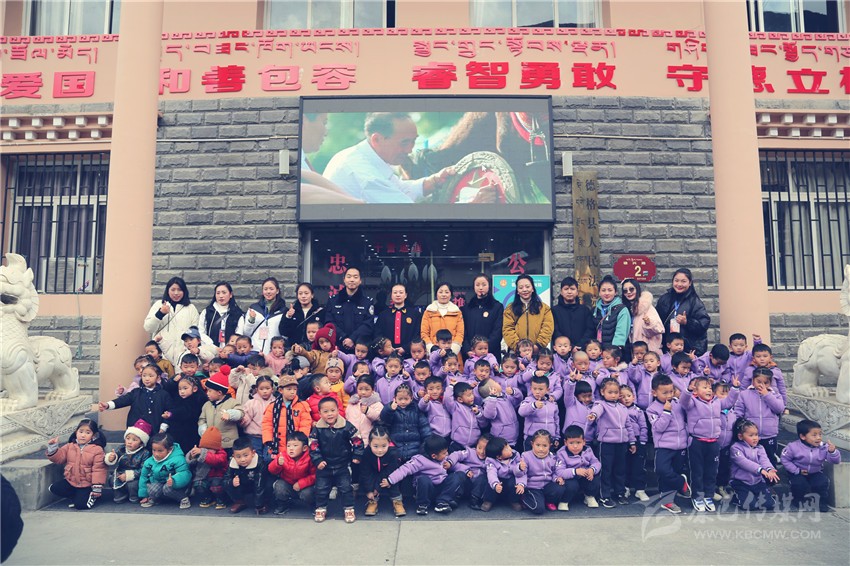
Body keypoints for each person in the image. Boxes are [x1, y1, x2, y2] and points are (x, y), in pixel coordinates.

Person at [323, 112, 454, 203]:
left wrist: (435, 180)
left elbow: (399, 189)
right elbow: (410, 215)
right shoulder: (367, 177)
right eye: (404, 142)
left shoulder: (357, 156)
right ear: (377, 139)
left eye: (413, 141)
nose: (409, 150)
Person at [680, 375, 741, 512]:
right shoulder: (693, 402)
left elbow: (729, 401)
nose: (708, 390)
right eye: (704, 387)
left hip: (714, 442)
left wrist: (735, 388)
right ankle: (697, 497)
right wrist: (688, 390)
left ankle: (708, 495)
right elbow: (683, 401)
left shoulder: (717, 402)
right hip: (697, 442)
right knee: (697, 472)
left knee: (711, 472)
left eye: (709, 387)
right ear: (696, 391)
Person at [309, 397, 364, 523]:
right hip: (324, 465)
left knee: (346, 488)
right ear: (320, 413)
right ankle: (321, 508)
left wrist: (357, 455)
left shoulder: (346, 426)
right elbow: (313, 445)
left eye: (332, 410)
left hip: (343, 464)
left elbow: (357, 440)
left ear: (338, 410)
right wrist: (317, 460)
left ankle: (349, 508)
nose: (330, 414)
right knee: (321, 488)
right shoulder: (317, 428)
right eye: (326, 411)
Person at [587, 378, 636, 508]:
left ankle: (619, 493)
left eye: (616, 392)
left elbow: (628, 426)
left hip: (622, 443)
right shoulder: (601, 404)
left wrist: (632, 442)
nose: (613, 395)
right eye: (610, 392)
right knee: (606, 469)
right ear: (602, 392)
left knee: (620, 469)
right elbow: (596, 410)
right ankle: (604, 495)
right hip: (606, 443)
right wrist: (593, 415)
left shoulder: (622, 407)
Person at [646, 374, 692, 515]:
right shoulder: (652, 409)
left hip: (680, 445)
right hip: (664, 446)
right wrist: (666, 411)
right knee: (662, 470)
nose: (669, 395)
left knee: (673, 472)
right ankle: (681, 482)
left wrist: (688, 391)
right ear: (654, 393)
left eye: (671, 391)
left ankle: (668, 501)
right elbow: (658, 428)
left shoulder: (677, 403)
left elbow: (687, 404)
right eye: (664, 392)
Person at [384, 435, 462, 515]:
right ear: (434, 456)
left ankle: (442, 502)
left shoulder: (444, 458)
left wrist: (466, 470)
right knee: (423, 479)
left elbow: (456, 463)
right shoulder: (419, 460)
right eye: (444, 453)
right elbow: (404, 469)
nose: (447, 454)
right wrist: (390, 480)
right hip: (426, 490)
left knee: (456, 477)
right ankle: (422, 504)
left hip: (440, 488)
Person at [299, 112, 365, 205]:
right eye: (324, 123)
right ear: (303, 121)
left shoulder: (302, 164)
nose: (326, 132)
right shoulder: (289, 162)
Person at [781, 419, 842, 512]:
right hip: (798, 472)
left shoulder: (823, 447)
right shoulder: (793, 447)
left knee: (821, 483)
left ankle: (822, 502)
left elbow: (835, 461)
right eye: (814, 435)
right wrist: (796, 470)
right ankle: (798, 500)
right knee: (799, 484)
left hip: (815, 472)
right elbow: (785, 460)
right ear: (802, 436)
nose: (818, 438)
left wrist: (832, 452)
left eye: (820, 434)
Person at [46, 419, 107, 510]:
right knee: (53, 488)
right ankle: (77, 496)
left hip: (87, 484)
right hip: (72, 481)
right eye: (81, 431)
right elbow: (59, 459)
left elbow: (99, 469)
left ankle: (92, 496)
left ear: (93, 435)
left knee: (81, 506)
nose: (83, 435)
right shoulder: (70, 446)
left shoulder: (97, 450)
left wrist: (97, 488)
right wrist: (53, 447)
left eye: (87, 432)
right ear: (76, 432)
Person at [97, 364, 171, 436]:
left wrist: (163, 427)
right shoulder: (136, 392)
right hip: (135, 431)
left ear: (158, 378)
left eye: (151, 376)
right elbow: (123, 400)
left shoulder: (164, 394)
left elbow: (169, 411)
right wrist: (107, 405)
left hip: (155, 431)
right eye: (144, 375)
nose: (147, 378)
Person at [733, 367, 785, 465]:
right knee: (751, 459)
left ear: (770, 383)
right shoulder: (744, 394)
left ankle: (770, 474)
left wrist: (767, 395)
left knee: (770, 458)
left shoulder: (775, 394)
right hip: (750, 435)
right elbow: (738, 412)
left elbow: (779, 409)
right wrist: (739, 428)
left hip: (769, 435)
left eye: (766, 383)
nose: (762, 385)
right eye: (759, 382)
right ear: (753, 381)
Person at [654, 268, 711, 356]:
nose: (679, 284)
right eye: (676, 281)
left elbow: (703, 325)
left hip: (687, 350)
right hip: (667, 348)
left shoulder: (695, 301)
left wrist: (687, 322)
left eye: (683, 281)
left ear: (690, 283)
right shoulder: (664, 299)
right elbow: (656, 320)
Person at [143, 277, 200, 364]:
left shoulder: (191, 308)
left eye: (179, 290)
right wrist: (160, 313)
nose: (176, 293)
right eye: (173, 290)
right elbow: (148, 328)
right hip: (161, 357)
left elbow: (196, 332)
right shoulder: (159, 305)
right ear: (168, 290)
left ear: (184, 291)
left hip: (184, 358)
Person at [729, 419, 778, 511]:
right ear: (740, 436)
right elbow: (744, 462)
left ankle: (759, 495)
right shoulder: (735, 448)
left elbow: (764, 460)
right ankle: (736, 497)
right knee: (750, 506)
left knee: (768, 505)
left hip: (757, 481)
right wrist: (760, 469)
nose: (755, 438)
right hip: (741, 482)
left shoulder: (760, 448)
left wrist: (769, 469)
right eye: (751, 435)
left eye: (756, 434)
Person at [514, 430, 566, 514]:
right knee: (539, 509)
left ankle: (548, 501)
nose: (541, 449)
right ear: (532, 444)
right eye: (538, 445)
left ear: (550, 445)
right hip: (533, 488)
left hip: (547, 486)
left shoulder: (552, 457)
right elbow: (521, 474)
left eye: (545, 446)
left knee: (560, 488)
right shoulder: (526, 456)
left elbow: (554, 472)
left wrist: (557, 478)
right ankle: (524, 498)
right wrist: (520, 475)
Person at [262, 375, 313, 461]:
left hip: (295, 444)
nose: (292, 392)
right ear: (281, 390)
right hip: (277, 444)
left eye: (295, 389)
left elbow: (305, 424)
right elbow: (267, 424)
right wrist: (268, 440)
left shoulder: (302, 405)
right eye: (289, 389)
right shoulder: (273, 406)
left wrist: (301, 440)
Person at [325, 267, 375, 353]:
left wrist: (352, 339)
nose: (352, 280)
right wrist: (343, 337)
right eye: (349, 277)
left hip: (359, 349)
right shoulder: (333, 300)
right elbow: (329, 323)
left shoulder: (367, 302)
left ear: (360, 281)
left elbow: (368, 325)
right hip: (337, 347)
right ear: (344, 280)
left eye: (355, 277)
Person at [360, 426, 406, 517]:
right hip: (374, 474)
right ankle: (373, 501)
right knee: (369, 480)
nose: (380, 450)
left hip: (388, 475)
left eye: (384, 446)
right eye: (376, 446)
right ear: (369, 443)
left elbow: (391, 470)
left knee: (393, 481)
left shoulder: (393, 453)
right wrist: (369, 490)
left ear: (389, 442)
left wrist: (383, 484)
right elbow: (366, 472)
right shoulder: (367, 453)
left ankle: (397, 501)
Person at [138, 433, 192, 509]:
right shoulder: (149, 461)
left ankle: (183, 498)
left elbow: (185, 473)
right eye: (154, 450)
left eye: (160, 451)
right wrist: (144, 495)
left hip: (177, 485)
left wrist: (174, 480)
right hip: (159, 483)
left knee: (167, 488)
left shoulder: (178, 459)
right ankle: (157, 499)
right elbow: (144, 477)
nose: (156, 454)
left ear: (169, 449)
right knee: (152, 489)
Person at [267, 431, 317, 515]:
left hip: (304, 486)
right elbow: (271, 470)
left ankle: (314, 505)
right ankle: (283, 505)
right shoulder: (282, 455)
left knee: (308, 493)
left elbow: (315, 475)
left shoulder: (310, 457)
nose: (291, 448)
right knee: (279, 486)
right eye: (288, 445)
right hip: (288, 484)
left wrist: (301, 483)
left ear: (304, 448)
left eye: (295, 445)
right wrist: (277, 464)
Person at [104, 419, 153, 504]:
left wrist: (129, 475)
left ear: (141, 443)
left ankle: (134, 496)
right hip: (121, 473)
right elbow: (115, 455)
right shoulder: (122, 448)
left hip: (135, 475)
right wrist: (112, 458)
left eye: (134, 440)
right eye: (128, 438)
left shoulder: (145, 453)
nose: (130, 442)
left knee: (133, 485)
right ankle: (120, 494)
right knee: (112, 479)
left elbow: (144, 469)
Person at [380, 383, 432, 462]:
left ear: (411, 398)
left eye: (406, 399)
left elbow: (425, 429)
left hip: (414, 450)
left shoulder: (416, 409)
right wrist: (390, 409)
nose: (403, 402)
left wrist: (424, 447)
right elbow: (384, 419)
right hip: (396, 450)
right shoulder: (392, 409)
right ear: (395, 398)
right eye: (400, 399)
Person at [503, 274, 554, 353]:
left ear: (532, 288)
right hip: (517, 352)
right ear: (517, 291)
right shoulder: (510, 309)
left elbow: (547, 328)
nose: (524, 290)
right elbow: (507, 329)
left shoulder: (544, 308)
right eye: (521, 288)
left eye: (527, 287)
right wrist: (518, 347)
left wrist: (538, 346)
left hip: (538, 352)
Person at [555, 425, 601, 510]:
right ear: (565, 442)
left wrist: (592, 469)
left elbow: (596, 462)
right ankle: (564, 500)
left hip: (584, 475)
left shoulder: (588, 450)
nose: (575, 446)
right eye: (571, 443)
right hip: (570, 478)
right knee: (571, 485)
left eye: (578, 443)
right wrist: (575, 471)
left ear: (584, 442)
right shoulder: (561, 453)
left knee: (595, 478)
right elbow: (559, 472)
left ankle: (589, 496)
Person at [198, 366, 243, 451]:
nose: (207, 393)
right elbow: (202, 419)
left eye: (210, 391)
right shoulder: (207, 405)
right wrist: (203, 430)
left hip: (228, 443)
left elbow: (240, 412)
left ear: (219, 392)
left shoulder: (232, 402)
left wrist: (230, 414)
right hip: (211, 443)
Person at [238, 277, 287, 355]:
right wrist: (251, 320)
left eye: (271, 289)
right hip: (255, 351)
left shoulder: (284, 311)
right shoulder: (254, 308)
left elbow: (285, 335)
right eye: (265, 289)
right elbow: (246, 333)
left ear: (277, 291)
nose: (268, 292)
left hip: (274, 354)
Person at [462, 275, 504, 362]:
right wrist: (468, 349)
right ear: (474, 287)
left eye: (484, 285)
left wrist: (484, 349)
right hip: (470, 355)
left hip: (490, 355)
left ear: (489, 286)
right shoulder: (467, 308)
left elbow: (498, 331)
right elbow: (463, 331)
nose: (480, 288)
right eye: (477, 285)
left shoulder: (497, 307)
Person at [185, 426, 228, 509]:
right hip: (203, 477)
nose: (206, 450)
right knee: (199, 485)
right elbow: (191, 462)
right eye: (204, 448)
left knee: (216, 485)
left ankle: (220, 499)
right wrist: (192, 455)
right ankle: (207, 497)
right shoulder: (200, 451)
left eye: (209, 448)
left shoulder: (222, 453)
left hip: (217, 477)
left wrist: (202, 453)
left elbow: (216, 460)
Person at [224, 437, 269, 514]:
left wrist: (258, 505)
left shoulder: (260, 463)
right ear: (233, 456)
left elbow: (259, 485)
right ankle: (240, 502)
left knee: (268, 485)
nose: (242, 459)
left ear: (253, 453)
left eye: (245, 455)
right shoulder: (232, 463)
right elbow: (225, 479)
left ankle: (264, 503)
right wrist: (231, 482)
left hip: (257, 484)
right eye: (238, 457)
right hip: (243, 484)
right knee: (230, 484)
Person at [621, 278, 664, 355]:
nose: (628, 292)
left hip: (648, 351)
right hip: (635, 351)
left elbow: (659, 329)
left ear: (637, 289)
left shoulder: (647, 307)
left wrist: (648, 322)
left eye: (631, 289)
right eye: (625, 291)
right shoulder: (626, 308)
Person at [375, 283, 421, 355]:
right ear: (391, 295)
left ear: (405, 295)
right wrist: (387, 347)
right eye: (395, 292)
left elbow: (417, 334)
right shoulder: (383, 315)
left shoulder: (415, 314)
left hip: (410, 354)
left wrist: (405, 348)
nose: (398, 295)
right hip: (387, 354)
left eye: (401, 292)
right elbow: (378, 334)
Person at [552, 276, 595, 352]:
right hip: (562, 351)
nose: (569, 292)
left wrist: (580, 345)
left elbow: (590, 330)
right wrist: (570, 346)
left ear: (577, 292)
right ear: (561, 292)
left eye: (572, 289)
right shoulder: (554, 311)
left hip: (582, 351)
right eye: (566, 289)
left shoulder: (585, 310)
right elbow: (555, 331)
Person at [420, 282, 465, 354]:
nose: (443, 295)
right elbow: (424, 333)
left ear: (451, 294)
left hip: (452, 354)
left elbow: (460, 333)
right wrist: (432, 348)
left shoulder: (457, 312)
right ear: (436, 294)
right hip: (433, 353)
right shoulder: (429, 311)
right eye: (440, 292)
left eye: (446, 292)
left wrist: (453, 350)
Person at [198, 282, 244, 349]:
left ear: (230, 295)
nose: (221, 296)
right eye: (218, 293)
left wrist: (228, 349)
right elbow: (201, 332)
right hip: (211, 350)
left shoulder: (237, 314)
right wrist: (212, 346)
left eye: (224, 293)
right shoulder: (207, 312)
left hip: (231, 351)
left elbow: (239, 334)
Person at [482, 437, 523, 512]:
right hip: (498, 480)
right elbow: (491, 473)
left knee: (513, 483)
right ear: (499, 456)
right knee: (490, 483)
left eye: (508, 446)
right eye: (506, 449)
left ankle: (514, 501)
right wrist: (495, 484)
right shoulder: (491, 461)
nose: (510, 449)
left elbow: (520, 473)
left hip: (510, 478)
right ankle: (488, 500)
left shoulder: (516, 455)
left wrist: (520, 468)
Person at [592, 275, 631, 350]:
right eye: (603, 290)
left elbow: (621, 334)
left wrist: (613, 351)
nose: (606, 293)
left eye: (610, 290)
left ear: (615, 292)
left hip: (614, 352)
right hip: (598, 351)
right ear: (599, 293)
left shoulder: (622, 309)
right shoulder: (595, 310)